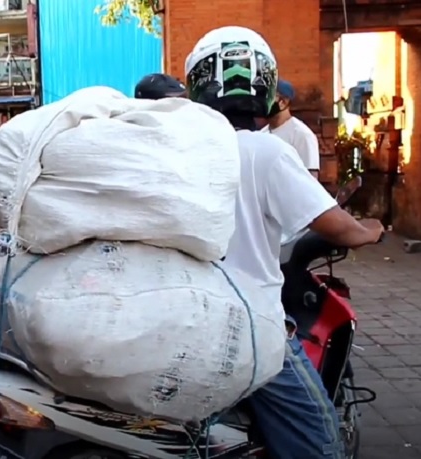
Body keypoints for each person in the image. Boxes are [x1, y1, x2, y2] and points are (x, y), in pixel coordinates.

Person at [184, 26, 383, 459]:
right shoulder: (266, 151)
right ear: (266, 86)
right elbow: (337, 226)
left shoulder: (177, 149)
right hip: (251, 330)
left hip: (183, 322)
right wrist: (370, 230)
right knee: (321, 442)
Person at [262, 80, 321, 178]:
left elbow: (311, 179)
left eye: (269, 97)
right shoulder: (261, 134)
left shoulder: (302, 135)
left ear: (283, 102)